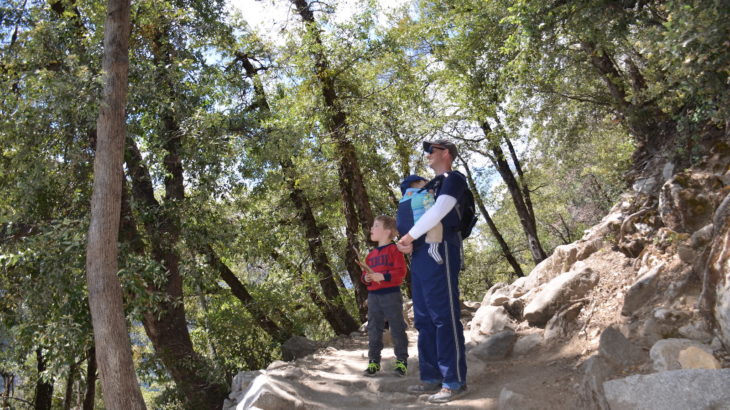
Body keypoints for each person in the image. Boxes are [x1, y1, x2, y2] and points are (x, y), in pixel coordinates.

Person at [396, 140, 469, 403]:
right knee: (424, 318)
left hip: (440, 251)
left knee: (443, 315)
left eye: (431, 150)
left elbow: (440, 210)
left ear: (446, 153)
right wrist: (410, 243)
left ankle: (453, 381)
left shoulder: (453, 178)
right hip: (419, 253)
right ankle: (431, 377)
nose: (427, 154)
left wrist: (408, 236)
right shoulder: (426, 187)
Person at [357, 215, 409, 377]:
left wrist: (384, 276)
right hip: (373, 296)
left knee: (397, 327)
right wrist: (365, 278)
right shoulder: (370, 255)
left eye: (375, 226)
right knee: (374, 328)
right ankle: (373, 361)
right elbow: (365, 275)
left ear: (387, 232)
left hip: (391, 294)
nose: (371, 229)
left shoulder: (395, 250)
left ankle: (401, 362)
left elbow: (401, 272)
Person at [398, 174, 444, 264]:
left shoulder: (403, 200)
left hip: (408, 235)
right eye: (425, 181)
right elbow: (432, 209)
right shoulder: (424, 194)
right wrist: (431, 194)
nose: (428, 182)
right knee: (436, 223)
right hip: (423, 229)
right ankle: (433, 247)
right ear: (418, 182)